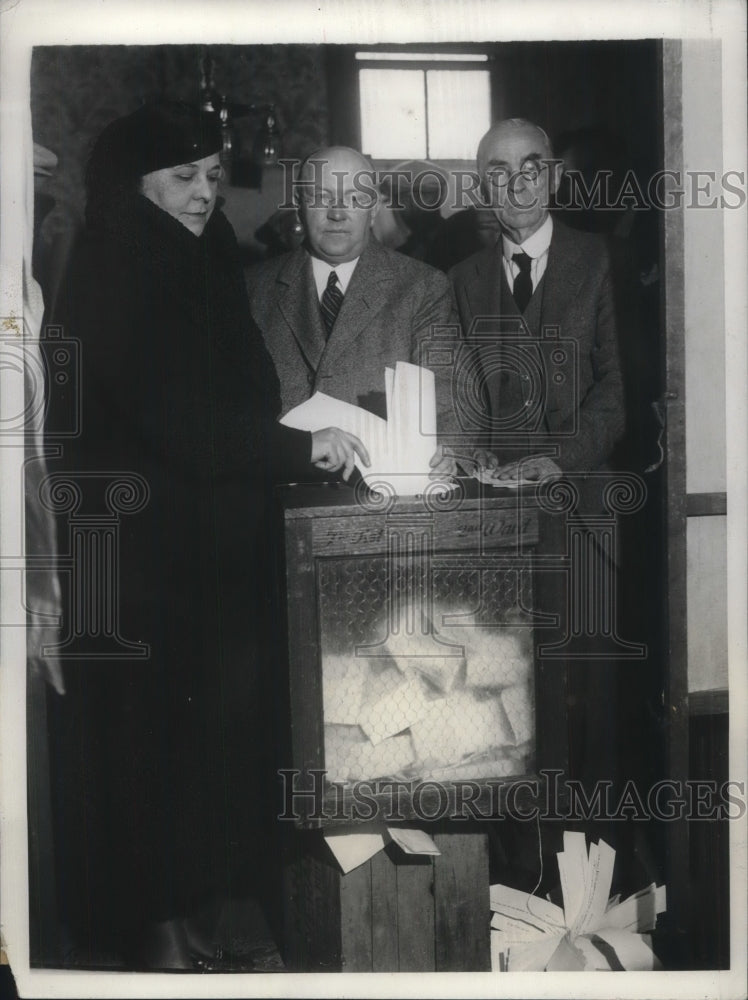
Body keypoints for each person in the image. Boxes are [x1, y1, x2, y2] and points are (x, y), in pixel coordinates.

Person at [44, 100, 368, 971]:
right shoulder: (113, 264)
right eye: (183, 176)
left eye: (213, 176)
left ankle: (184, 919)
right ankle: (152, 934)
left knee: (198, 753)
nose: (203, 192)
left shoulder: (199, 253)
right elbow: (182, 419)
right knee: (145, 750)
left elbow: (235, 392)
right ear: (133, 181)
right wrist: (304, 446)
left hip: (198, 549)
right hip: (138, 557)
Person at [450, 118, 626, 794]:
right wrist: (465, 458)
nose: (517, 182)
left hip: (583, 509)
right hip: (497, 522)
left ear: (553, 175)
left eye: (531, 166)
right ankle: (522, 868)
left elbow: (619, 389)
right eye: (498, 169)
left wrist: (562, 457)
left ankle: (594, 869)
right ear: (480, 185)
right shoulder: (462, 278)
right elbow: (459, 389)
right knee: (509, 695)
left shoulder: (599, 259)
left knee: (589, 696)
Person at [245, 146, 460, 476]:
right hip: (276, 490)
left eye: (355, 199)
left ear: (373, 209)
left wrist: (447, 451)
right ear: (299, 208)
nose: (337, 213)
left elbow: (445, 393)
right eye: (321, 197)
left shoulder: (423, 287)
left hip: (383, 494)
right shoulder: (251, 288)